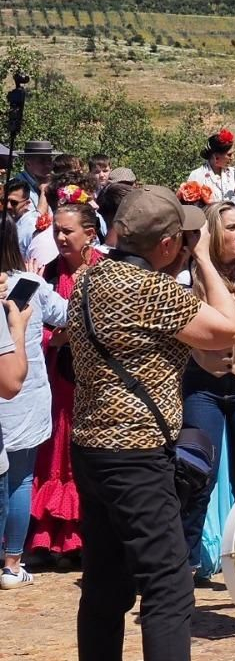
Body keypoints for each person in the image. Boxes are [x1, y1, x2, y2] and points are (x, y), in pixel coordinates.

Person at [68, 185, 235, 661]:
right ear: (169, 243)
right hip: (138, 454)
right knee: (169, 589)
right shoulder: (151, 290)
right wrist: (203, 261)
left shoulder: (90, 279)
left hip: (91, 449)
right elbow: (229, 330)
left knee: (104, 587)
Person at [178, 201, 235, 554]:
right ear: (213, 234)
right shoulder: (190, 273)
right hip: (203, 382)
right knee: (197, 473)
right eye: (232, 228)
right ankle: (186, 562)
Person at [0, 217, 69, 588]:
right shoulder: (30, 285)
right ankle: (12, 563)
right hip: (24, 395)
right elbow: (69, 314)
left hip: (15, 394)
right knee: (20, 479)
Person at [28, 202, 96, 561]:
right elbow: (31, 321)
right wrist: (51, 338)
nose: (60, 237)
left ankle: (84, 539)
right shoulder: (50, 272)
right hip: (59, 378)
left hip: (96, 380)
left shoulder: (105, 270)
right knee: (56, 454)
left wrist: (70, 333)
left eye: (68, 231)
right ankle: (51, 538)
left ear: (90, 233)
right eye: (57, 230)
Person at [185, 132, 235, 203]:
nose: (232, 158)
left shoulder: (234, 173)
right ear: (216, 157)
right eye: (229, 155)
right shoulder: (197, 176)